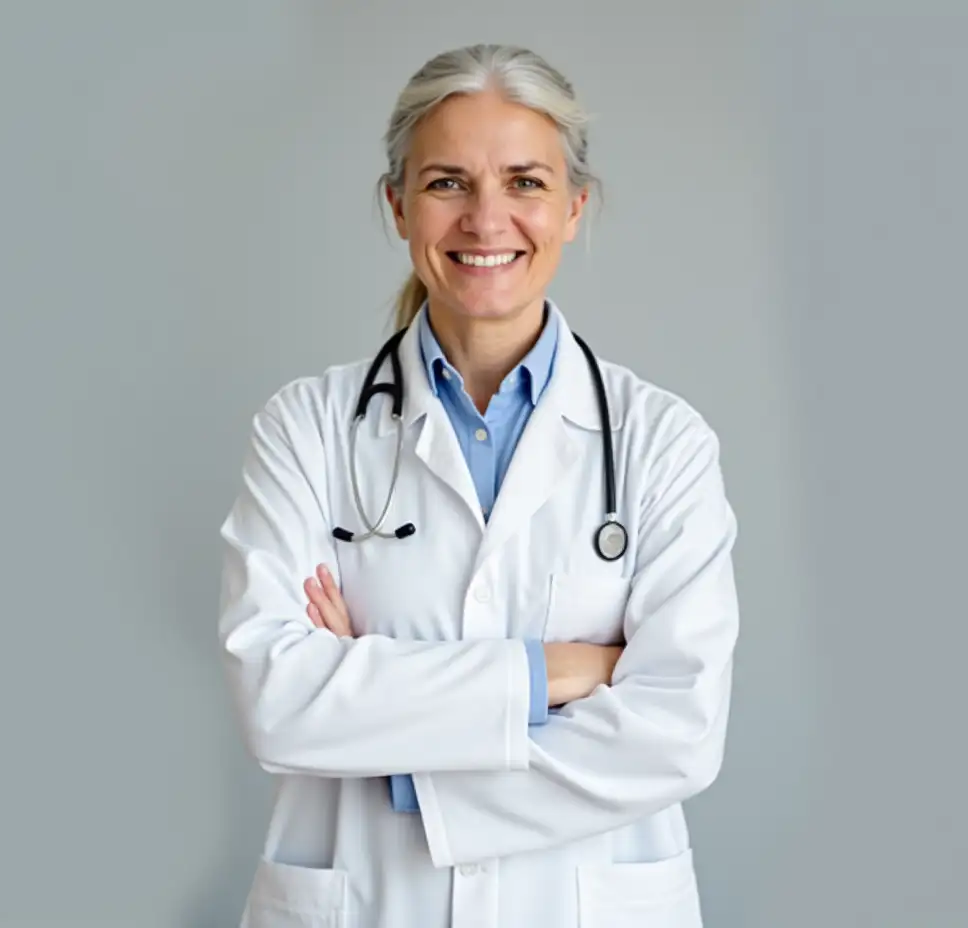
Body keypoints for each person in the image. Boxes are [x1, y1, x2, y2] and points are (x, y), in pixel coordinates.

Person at [217, 43, 740, 928]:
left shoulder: (662, 443)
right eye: (448, 182)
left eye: (525, 183)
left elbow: (676, 734)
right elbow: (279, 703)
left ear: (575, 207)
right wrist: (553, 675)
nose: (486, 219)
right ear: (398, 205)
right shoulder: (306, 428)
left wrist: (391, 742)